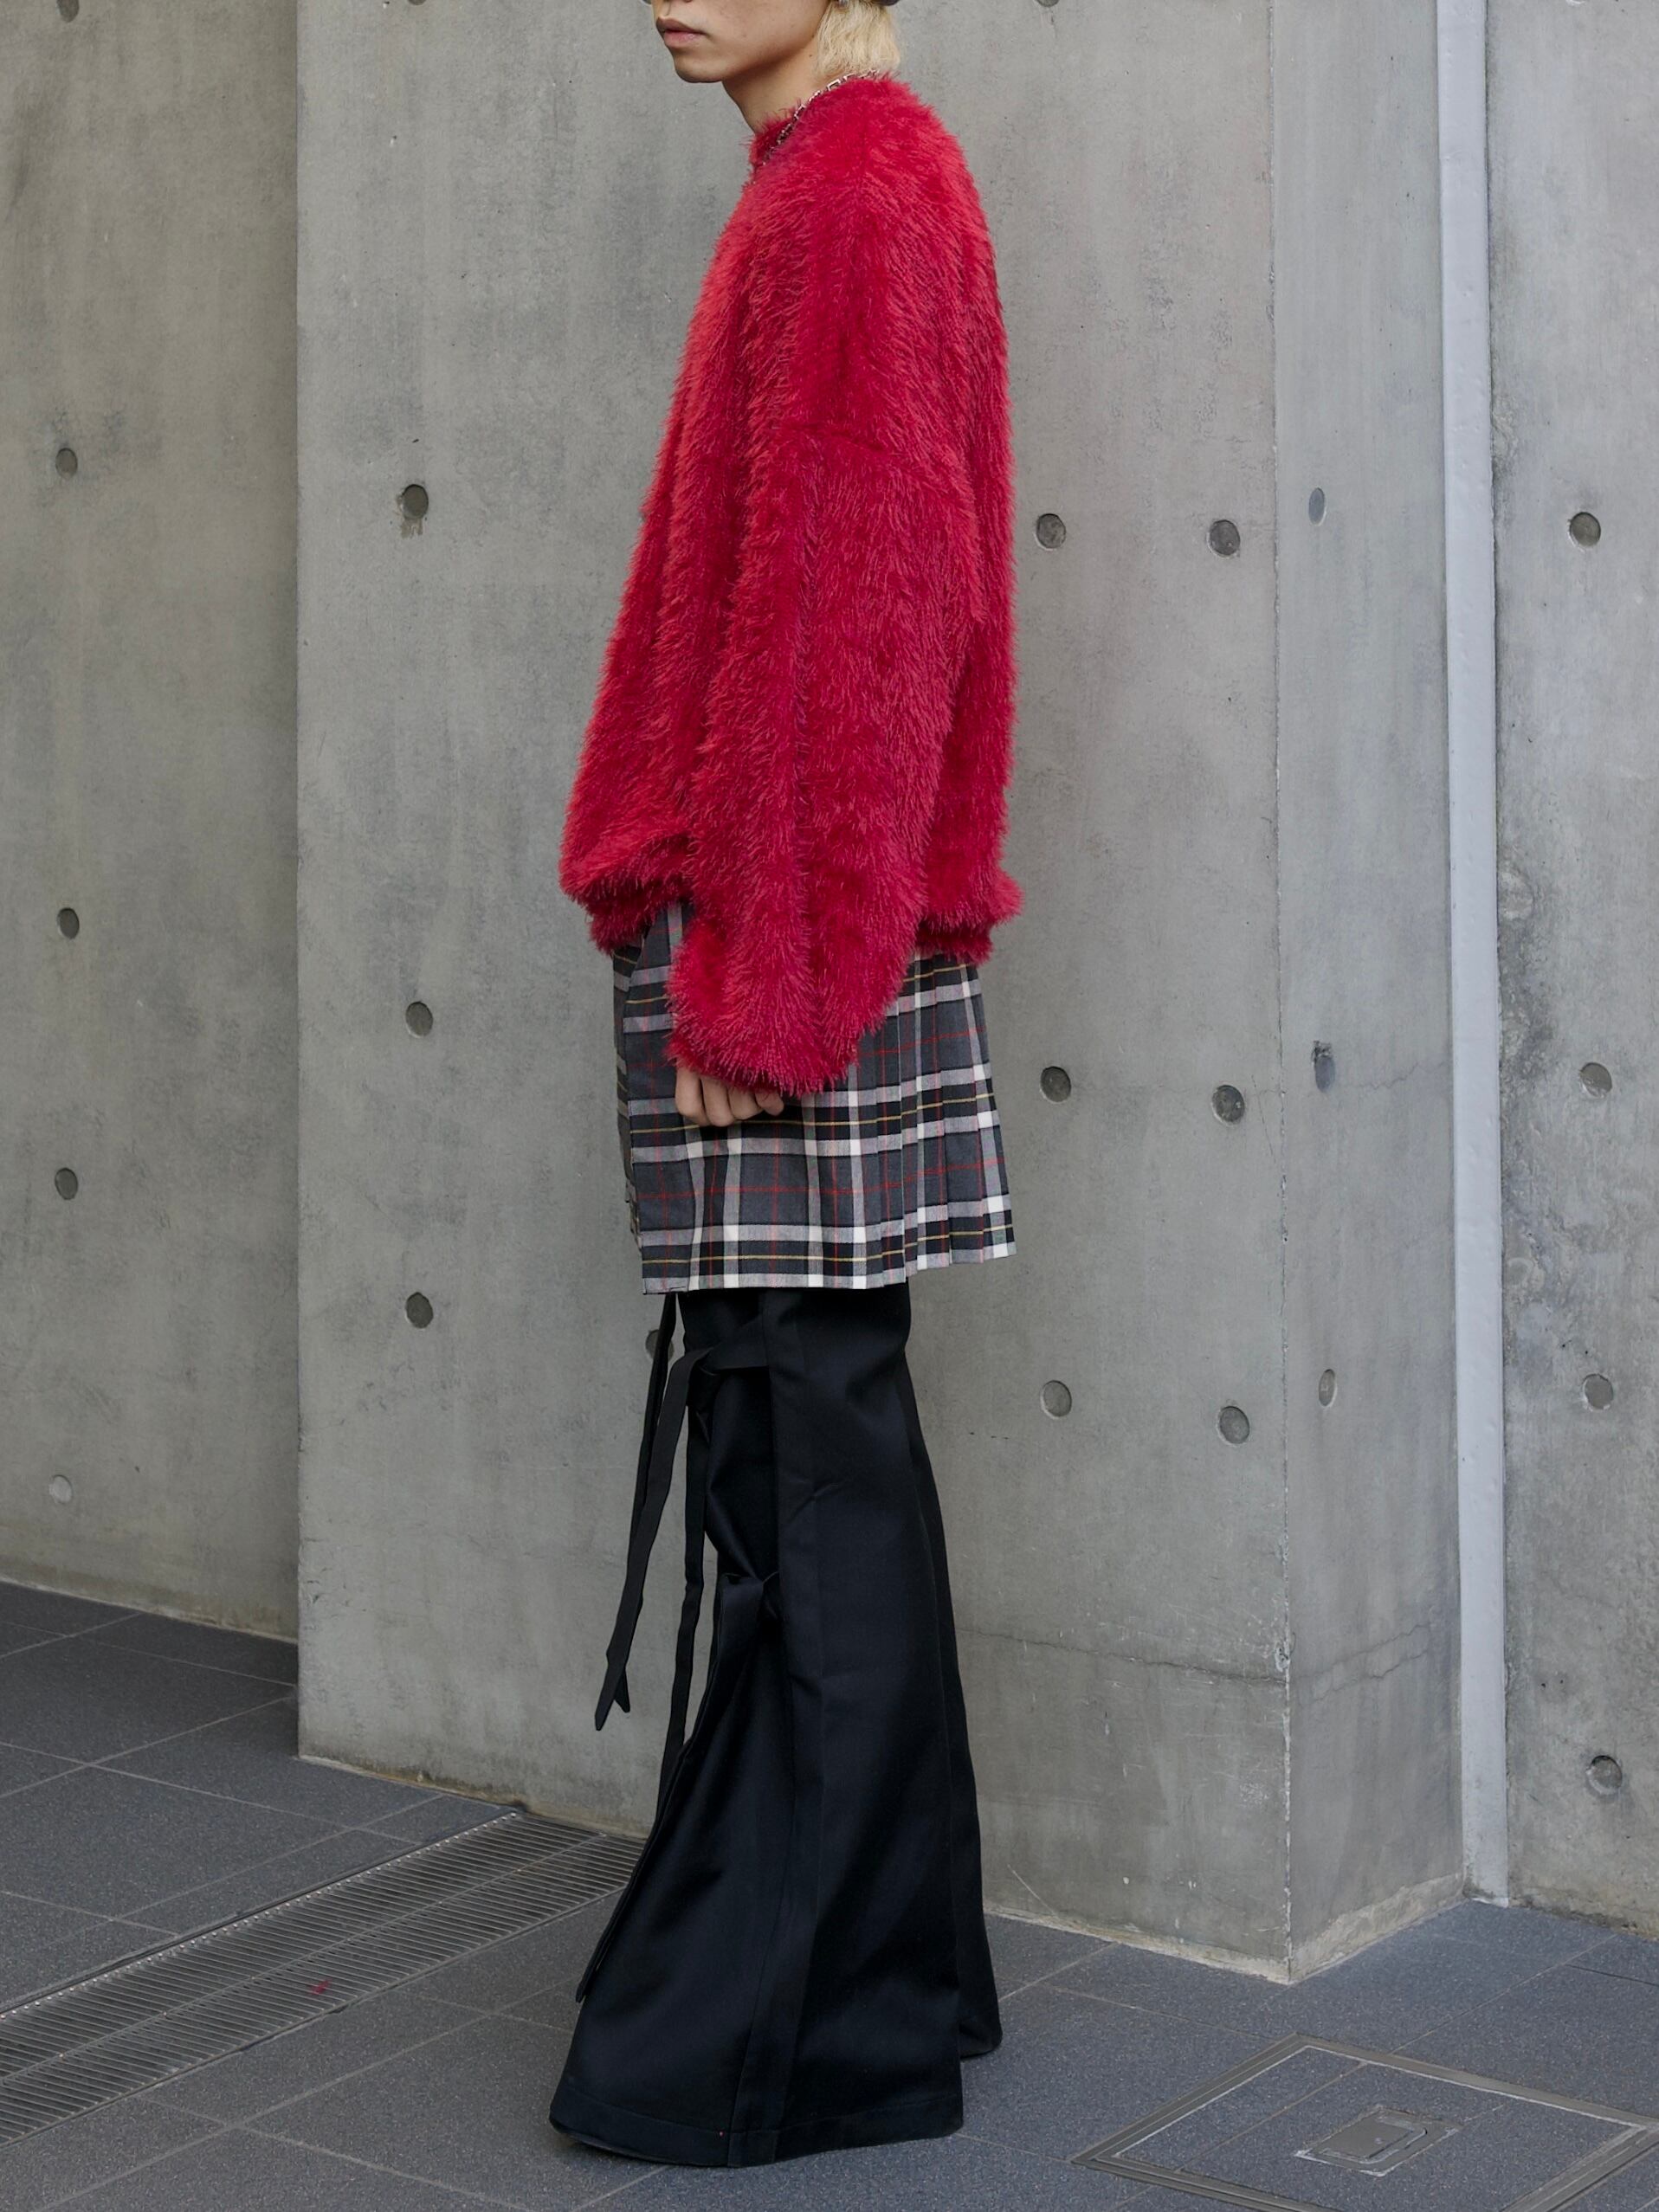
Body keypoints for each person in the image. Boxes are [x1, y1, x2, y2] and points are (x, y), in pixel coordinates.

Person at [549, 0, 1023, 2170]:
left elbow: (863, 602)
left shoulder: (849, 195)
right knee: (812, 1449)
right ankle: (885, 1986)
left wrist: (769, 983)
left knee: (803, 1464)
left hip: (786, 931)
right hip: (794, 909)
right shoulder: (833, 179)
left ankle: (811, 2033)